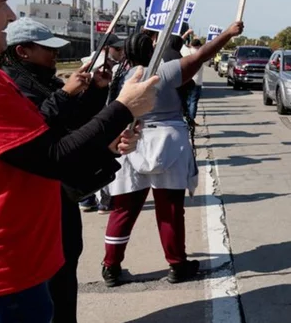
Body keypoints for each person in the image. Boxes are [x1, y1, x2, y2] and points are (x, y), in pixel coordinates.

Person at [0, 0, 158, 323]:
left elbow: (50, 144)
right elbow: (55, 156)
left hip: (29, 261)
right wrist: (123, 107)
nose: (11, 13)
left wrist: (107, 140)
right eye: (1, 2)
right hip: (5, 277)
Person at [0, 17, 126, 323]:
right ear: (23, 51)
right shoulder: (10, 86)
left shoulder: (45, 79)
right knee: (46, 286)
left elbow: (77, 125)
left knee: (66, 268)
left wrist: (95, 90)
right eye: (47, 50)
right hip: (32, 199)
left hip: (58, 195)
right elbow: (38, 134)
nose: (54, 56)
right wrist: (65, 95)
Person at [101, 21, 244, 287]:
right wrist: (227, 34)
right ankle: (177, 264)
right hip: (169, 142)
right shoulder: (164, 71)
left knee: (123, 210)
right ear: (152, 50)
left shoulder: (121, 77)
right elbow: (202, 55)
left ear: (127, 54)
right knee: (169, 209)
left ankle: (111, 266)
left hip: (131, 141)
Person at [79, 33, 127, 213]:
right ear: (106, 49)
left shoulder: (90, 62)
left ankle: (86, 199)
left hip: (89, 120)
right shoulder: (102, 66)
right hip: (101, 118)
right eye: (117, 48)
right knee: (102, 159)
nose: (121, 52)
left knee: (87, 160)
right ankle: (104, 202)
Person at [180, 39, 204, 123]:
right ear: (198, 45)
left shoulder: (186, 52)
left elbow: (182, 44)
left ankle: (186, 118)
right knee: (193, 101)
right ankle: (191, 120)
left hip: (187, 80)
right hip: (197, 81)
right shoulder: (201, 54)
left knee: (187, 100)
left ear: (191, 44)